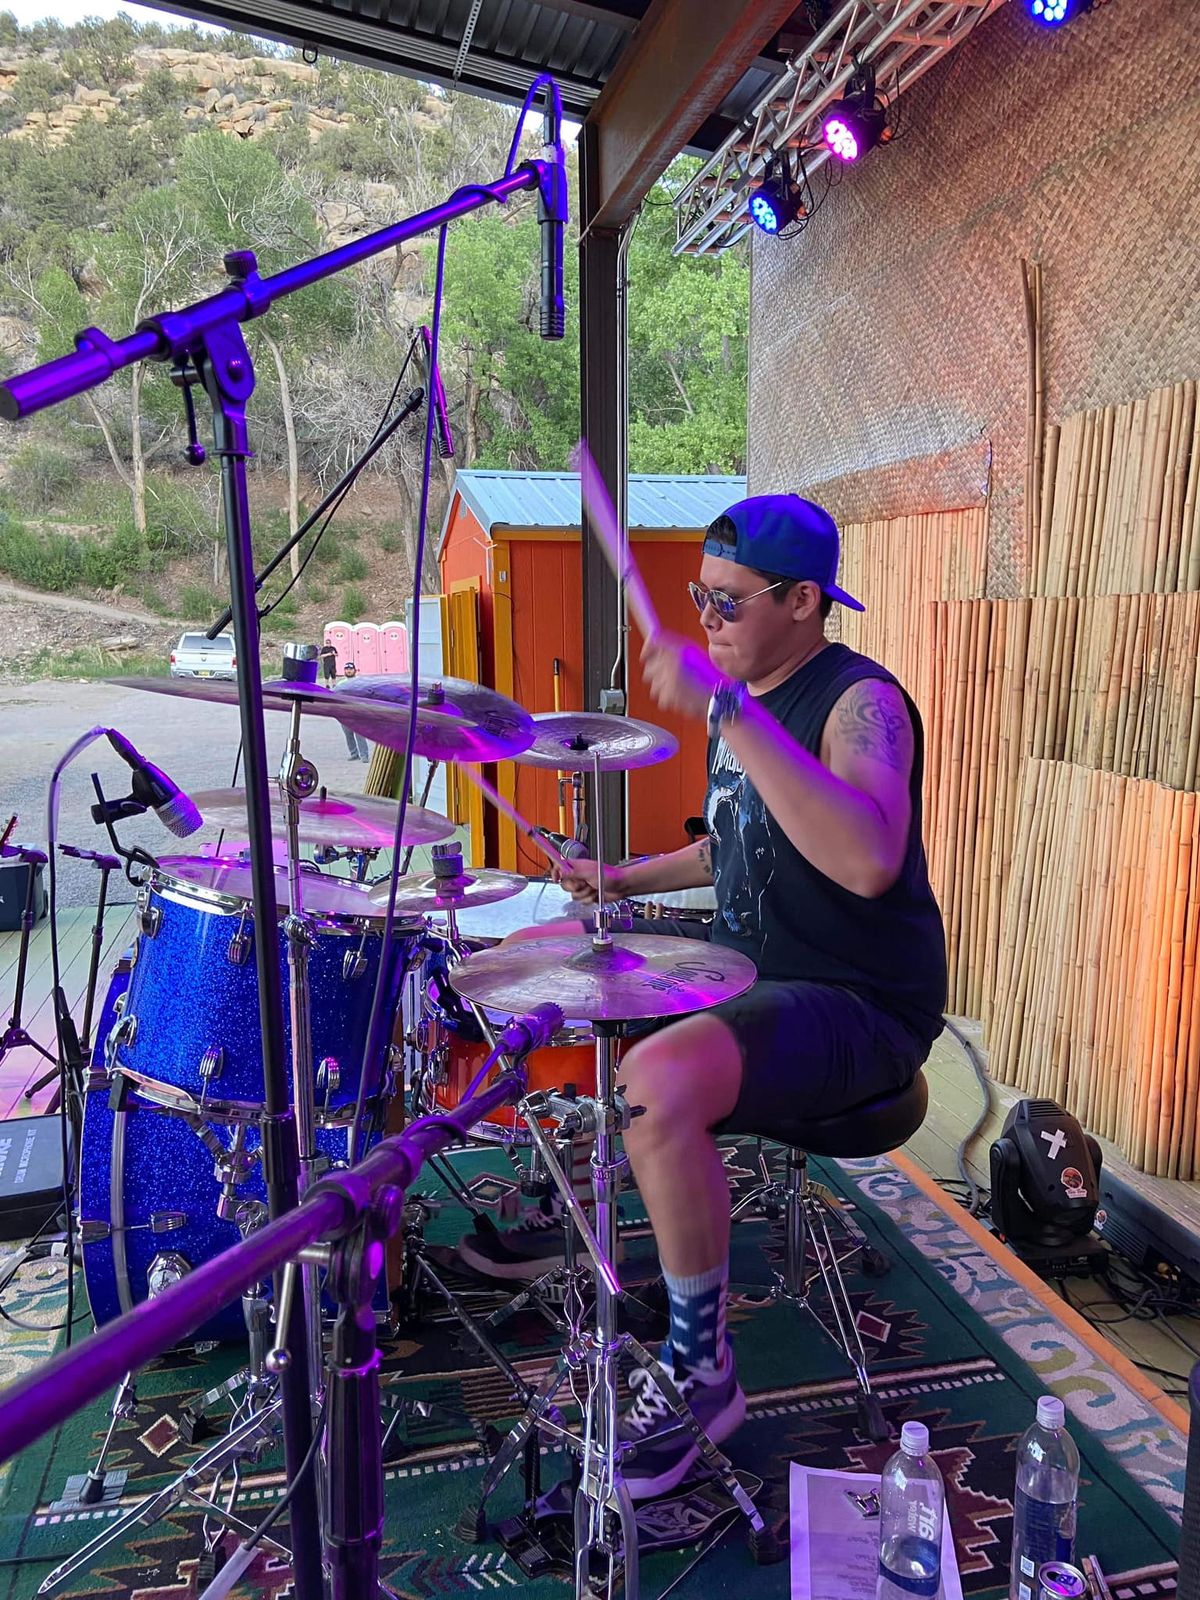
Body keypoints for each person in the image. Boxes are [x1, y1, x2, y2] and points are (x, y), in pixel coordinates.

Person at [458, 493, 947, 1501]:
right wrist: (620, 877)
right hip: (751, 964)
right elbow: (733, 846)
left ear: (803, 600)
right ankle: (571, 1213)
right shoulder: (750, 700)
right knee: (550, 961)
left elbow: (864, 857)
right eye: (699, 597)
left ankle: (700, 1370)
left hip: (857, 1000)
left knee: (655, 1081)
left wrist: (730, 712)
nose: (708, 620)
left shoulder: (862, 702)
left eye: (729, 601)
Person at [338, 661, 370, 762]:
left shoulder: (360, 683)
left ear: (355, 670)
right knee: (348, 735)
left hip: (357, 712)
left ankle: (364, 755)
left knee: (360, 734)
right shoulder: (341, 684)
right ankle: (354, 753)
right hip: (345, 713)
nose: (349, 671)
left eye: (351, 669)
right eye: (347, 669)